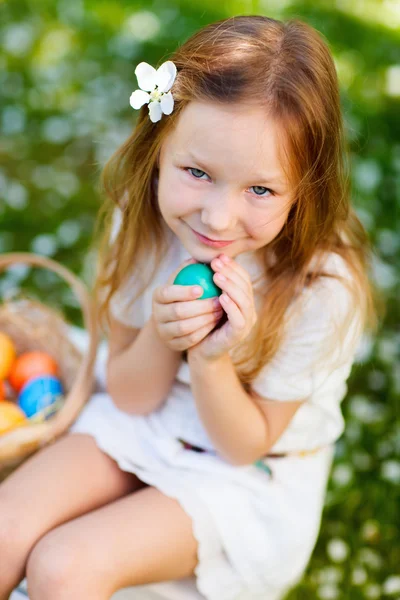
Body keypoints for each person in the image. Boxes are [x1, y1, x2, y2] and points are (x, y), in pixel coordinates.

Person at [0, 14, 383, 600]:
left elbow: (244, 444)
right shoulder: (146, 226)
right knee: (6, 530)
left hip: (244, 474)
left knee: (63, 567)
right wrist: (162, 331)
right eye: (197, 173)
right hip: (144, 422)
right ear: (159, 151)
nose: (217, 218)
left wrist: (209, 360)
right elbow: (131, 396)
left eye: (260, 190)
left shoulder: (319, 289)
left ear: (304, 188)